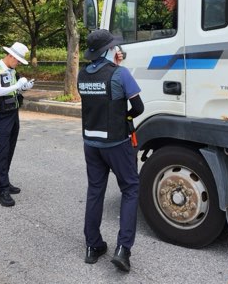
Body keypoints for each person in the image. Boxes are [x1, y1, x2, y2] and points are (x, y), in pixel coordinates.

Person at [77, 29, 144, 273]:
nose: (117, 48)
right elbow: (138, 107)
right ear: (108, 50)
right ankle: (123, 250)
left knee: (95, 190)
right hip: (116, 143)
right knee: (130, 188)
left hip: (91, 142)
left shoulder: (82, 75)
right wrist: (124, 116)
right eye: (114, 46)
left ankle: (92, 246)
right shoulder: (121, 73)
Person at [0, 42, 34, 207]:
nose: (18, 63)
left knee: (10, 151)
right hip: (1, 117)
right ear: (11, 56)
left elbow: (14, 91)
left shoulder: (13, 71)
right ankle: (2, 191)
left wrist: (24, 88)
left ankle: (3, 182)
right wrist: (17, 84)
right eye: (18, 60)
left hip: (13, 114)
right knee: (3, 152)